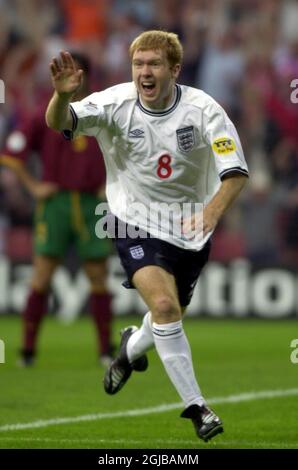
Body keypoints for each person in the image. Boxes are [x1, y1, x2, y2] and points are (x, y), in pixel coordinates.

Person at [45, 31, 248, 442]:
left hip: (191, 229)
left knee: (165, 318)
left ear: (174, 70)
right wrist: (63, 97)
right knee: (163, 306)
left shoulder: (204, 110)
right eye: (138, 64)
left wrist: (210, 214)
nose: (144, 72)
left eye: (154, 64)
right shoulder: (113, 104)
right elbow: (58, 123)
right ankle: (198, 407)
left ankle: (129, 350)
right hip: (130, 219)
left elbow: (235, 173)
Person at [0, 52, 114, 368]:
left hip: (92, 203)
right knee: (42, 275)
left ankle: (105, 350)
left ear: (87, 77)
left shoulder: (104, 113)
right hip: (56, 203)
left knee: (98, 276)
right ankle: (27, 351)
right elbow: (11, 154)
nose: (72, 79)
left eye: (76, 73)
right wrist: (34, 186)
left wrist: (113, 184)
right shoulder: (42, 115)